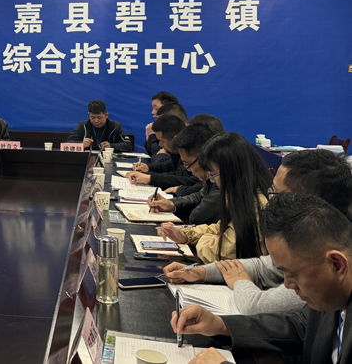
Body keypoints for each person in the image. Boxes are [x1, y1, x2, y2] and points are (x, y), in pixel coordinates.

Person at [164, 149, 352, 315]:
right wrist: (199, 272)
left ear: (311, 203)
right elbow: (264, 266)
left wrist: (239, 281)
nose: (270, 200)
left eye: (277, 194)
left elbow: (257, 306)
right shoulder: (312, 233)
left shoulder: (323, 260)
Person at [171, 194, 352, 364]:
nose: (287, 284)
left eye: (293, 274)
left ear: (337, 264)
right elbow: (300, 327)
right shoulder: (330, 296)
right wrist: (220, 324)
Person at [157, 132, 270, 263]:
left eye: (214, 175)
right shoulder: (242, 195)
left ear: (232, 171)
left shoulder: (257, 205)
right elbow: (220, 228)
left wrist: (205, 240)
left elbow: (221, 253)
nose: (214, 181)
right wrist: (185, 235)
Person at [146, 123, 220, 225]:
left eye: (188, 164)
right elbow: (199, 197)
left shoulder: (221, 180)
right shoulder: (211, 179)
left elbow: (198, 216)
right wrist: (172, 204)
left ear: (203, 158)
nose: (188, 170)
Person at [125, 114, 197, 189]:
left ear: (175, 140)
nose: (160, 144)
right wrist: (148, 168)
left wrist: (150, 178)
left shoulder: (191, 153)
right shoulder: (177, 151)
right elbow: (169, 165)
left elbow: (181, 177)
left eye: (162, 141)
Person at [66, 100, 133, 152]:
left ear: (106, 115)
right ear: (89, 114)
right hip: (86, 160)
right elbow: (67, 143)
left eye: (99, 118)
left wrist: (111, 146)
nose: (96, 121)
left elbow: (128, 146)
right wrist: (81, 144)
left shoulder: (115, 127)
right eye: (92, 117)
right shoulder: (83, 126)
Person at [144, 91, 178, 160]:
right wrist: (149, 137)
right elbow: (152, 154)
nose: (152, 112)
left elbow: (157, 156)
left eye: (156, 108)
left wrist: (151, 135)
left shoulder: (175, 129)